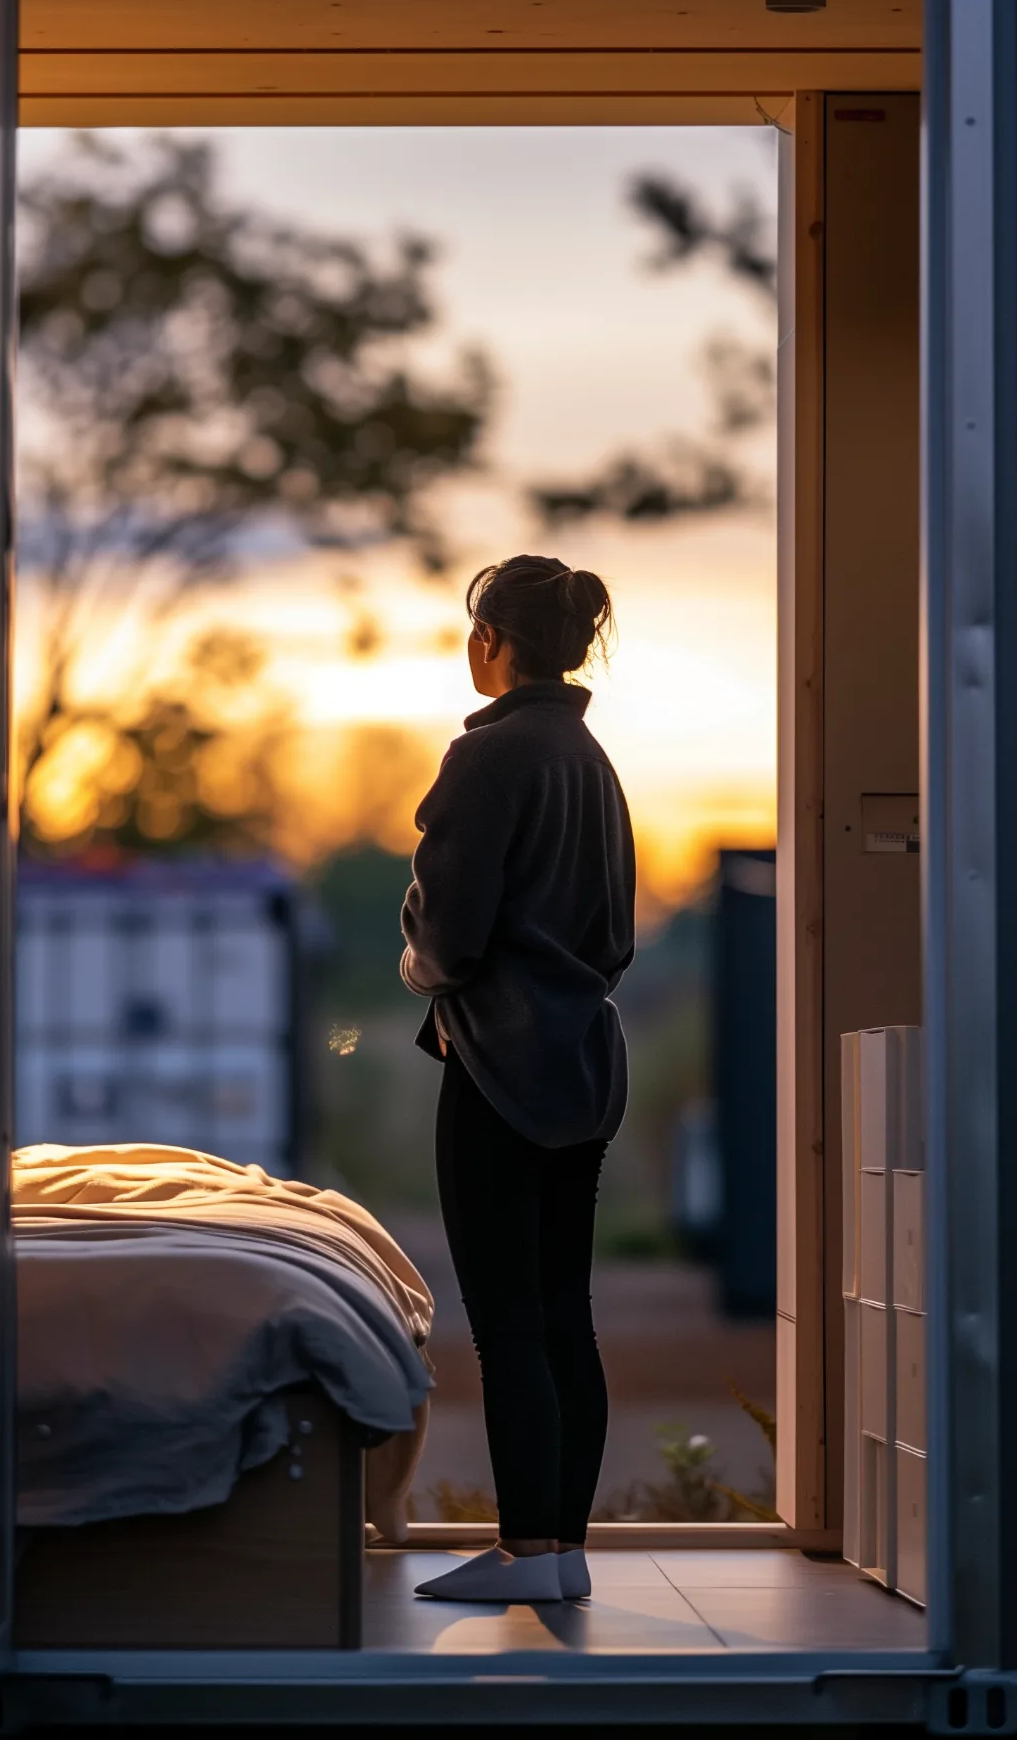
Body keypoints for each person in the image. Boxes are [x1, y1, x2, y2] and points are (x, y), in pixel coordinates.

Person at [400, 554, 636, 1604]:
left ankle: (526, 1555)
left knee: (505, 1320)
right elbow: (611, 932)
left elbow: (447, 938)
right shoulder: (590, 758)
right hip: (584, 1060)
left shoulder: (488, 758)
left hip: (499, 1067)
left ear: (491, 640)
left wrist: (415, 964)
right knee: (560, 1311)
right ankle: (564, 1547)